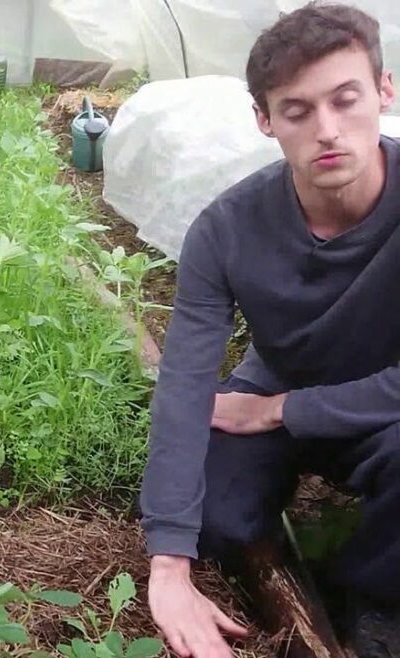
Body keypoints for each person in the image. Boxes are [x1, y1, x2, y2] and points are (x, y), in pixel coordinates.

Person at [139, 3, 400, 657]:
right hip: (279, 378)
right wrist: (168, 564)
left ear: (385, 91)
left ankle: (374, 593)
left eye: (346, 99)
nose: (328, 130)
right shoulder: (227, 230)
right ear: (264, 120)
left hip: (382, 404)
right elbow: (185, 383)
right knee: (218, 523)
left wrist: (282, 410)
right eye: (297, 111)